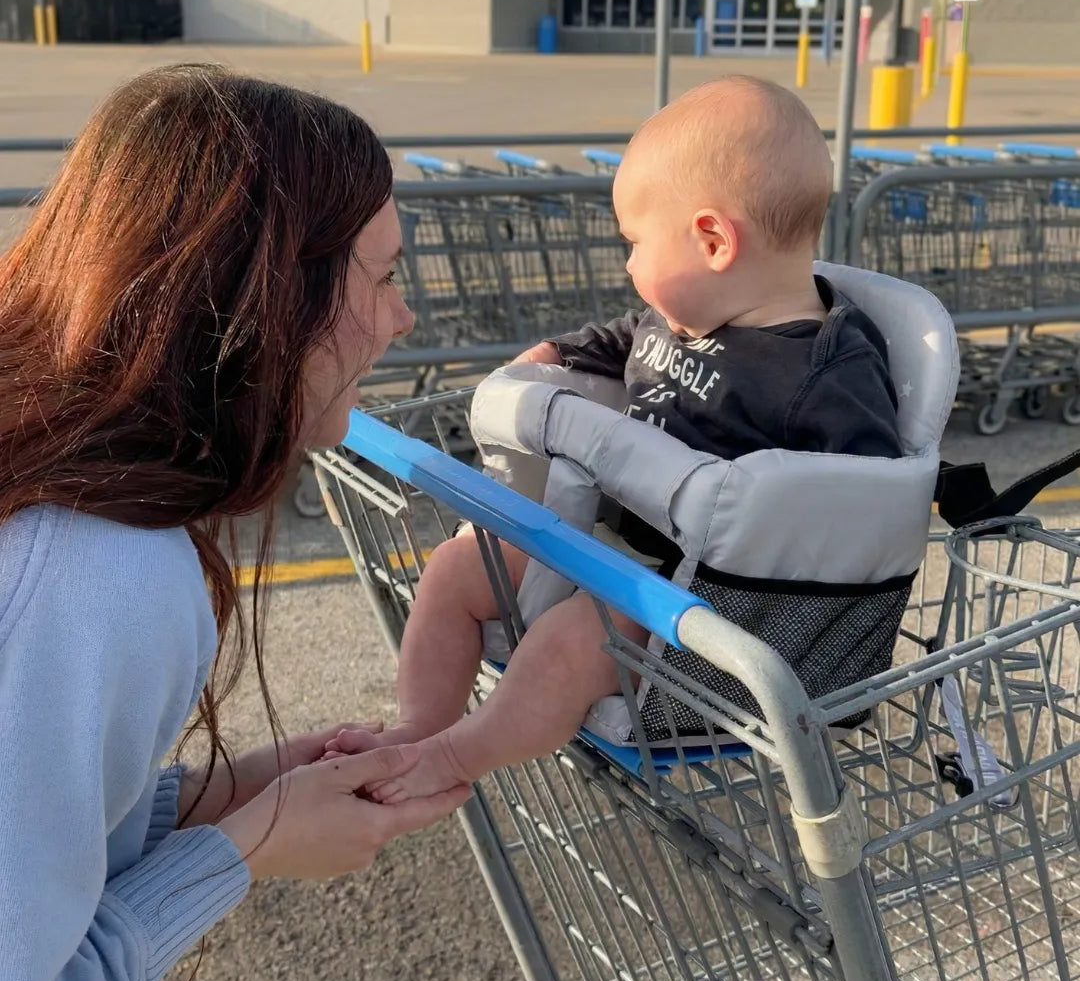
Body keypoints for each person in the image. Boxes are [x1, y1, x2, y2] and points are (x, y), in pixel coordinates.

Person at [0, 64, 472, 981]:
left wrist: (227, 792)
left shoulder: (51, 489)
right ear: (269, 303)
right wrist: (247, 849)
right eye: (380, 278)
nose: (402, 317)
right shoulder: (107, 571)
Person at [323, 75, 904, 802]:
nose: (629, 266)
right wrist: (554, 360)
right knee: (455, 567)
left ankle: (450, 759)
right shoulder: (682, 316)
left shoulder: (827, 367)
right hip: (612, 541)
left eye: (635, 243)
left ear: (713, 240)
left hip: (710, 599)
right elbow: (617, 342)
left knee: (573, 643)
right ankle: (417, 726)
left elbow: (872, 504)